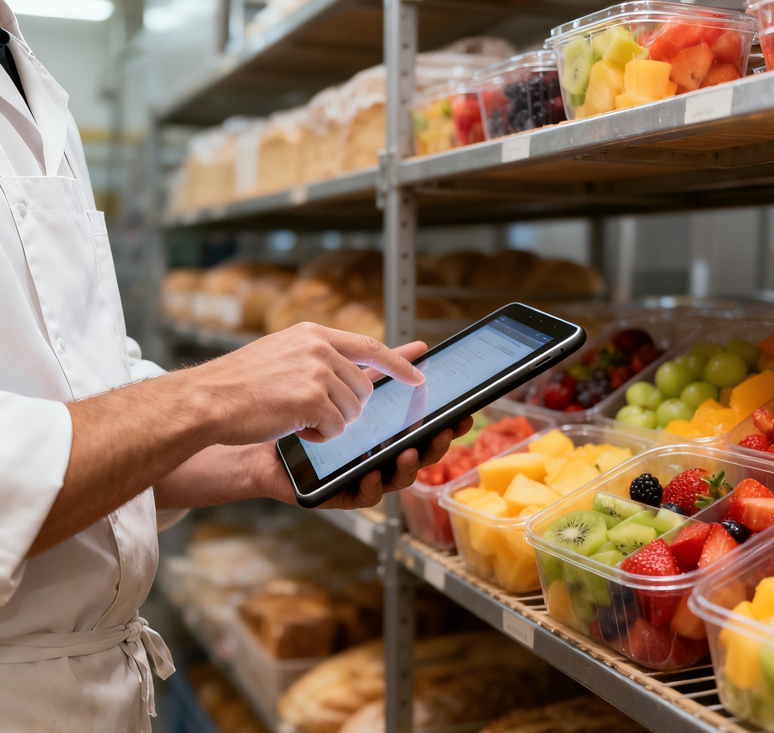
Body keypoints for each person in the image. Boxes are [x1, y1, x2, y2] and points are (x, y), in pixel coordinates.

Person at [0, 5, 470, 731]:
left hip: (94, 685)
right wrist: (213, 392)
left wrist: (256, 462)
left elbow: (88, 397)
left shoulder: (30, 76)